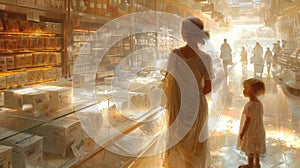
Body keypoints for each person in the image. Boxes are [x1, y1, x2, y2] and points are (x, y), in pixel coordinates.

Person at [163, 16, 213, 168]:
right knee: (196, 148)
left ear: (184, 33)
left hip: (178, 109)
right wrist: (193, 95)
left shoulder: (175, 55)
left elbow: (166, 81)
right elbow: (208, 88)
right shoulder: (205, 58)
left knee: (178, 145)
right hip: (197, 109)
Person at [237, 78, 266, 168]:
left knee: (250, 148)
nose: (243, 90)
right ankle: (257, 164)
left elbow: (247, 121)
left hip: (251, 131)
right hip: (259, 130)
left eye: (245, 88)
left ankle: (250, 165)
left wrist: (242, 132)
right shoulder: (259, 103)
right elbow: (260, 115)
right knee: (256, 148)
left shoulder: (249, 105)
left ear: (251, 91)